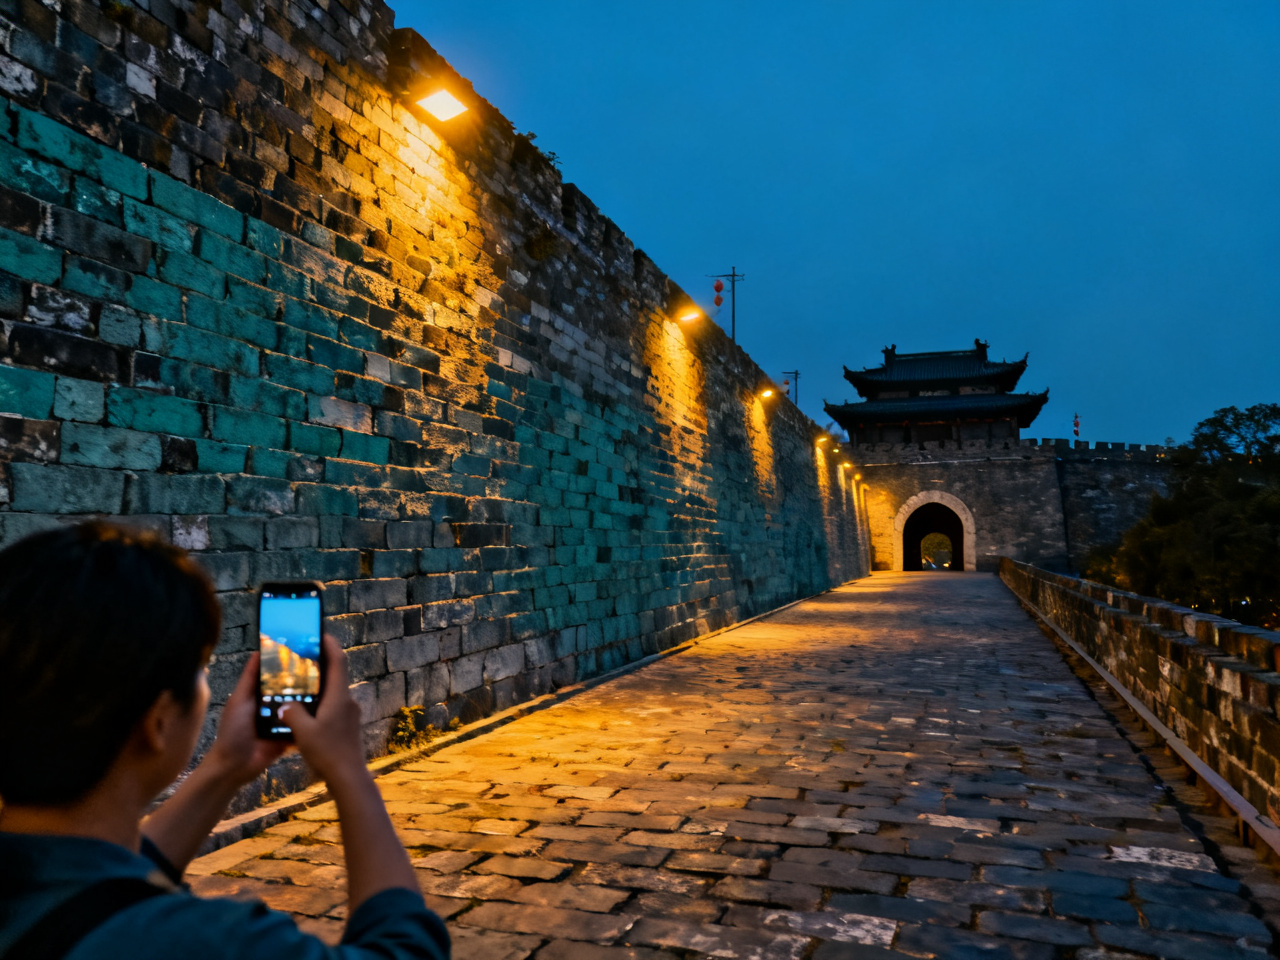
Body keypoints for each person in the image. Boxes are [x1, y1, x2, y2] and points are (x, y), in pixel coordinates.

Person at [0, 521, 450, 959]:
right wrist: (348, 770)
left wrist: (227, 766)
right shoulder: (201, 941)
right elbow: (410, 948)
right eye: (203, 668)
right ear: (158, 721)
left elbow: (96, 892)